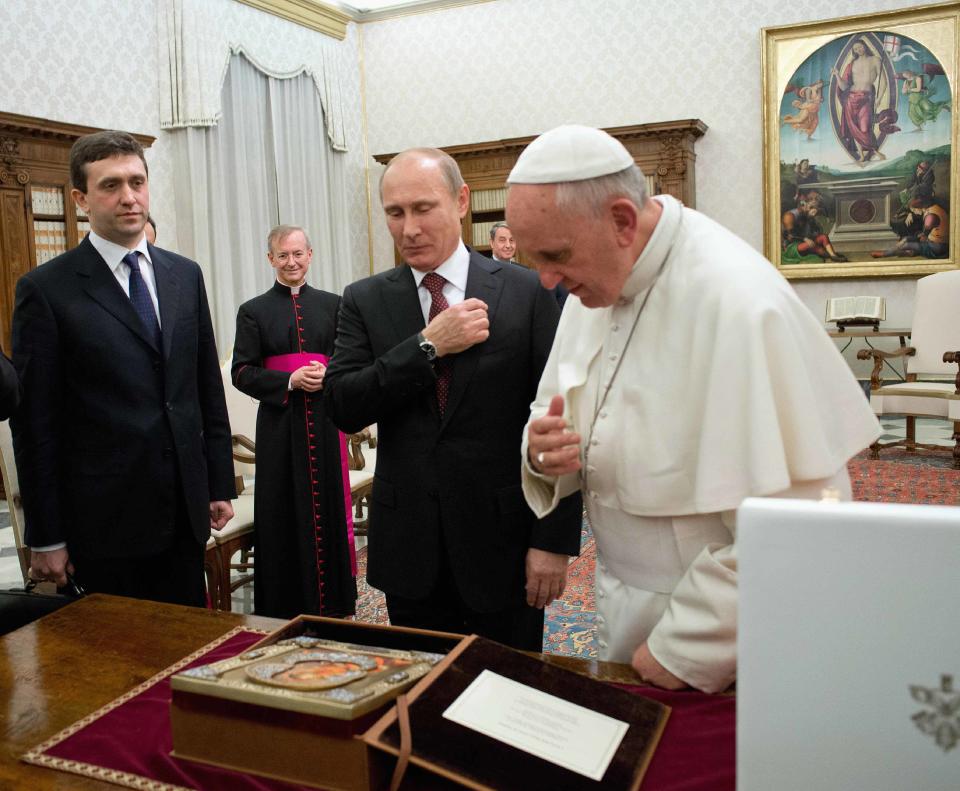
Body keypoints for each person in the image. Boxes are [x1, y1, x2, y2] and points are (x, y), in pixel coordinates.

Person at [507, 125, 879, 692]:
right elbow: (551, 408)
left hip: (715, 627)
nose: (547, 280)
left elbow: (799, 525)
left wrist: (686, 647)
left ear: (623, 221)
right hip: (618, 599)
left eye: (556, 256)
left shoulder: (738, 303)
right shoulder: (597, 278)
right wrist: (542, 452)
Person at [325, 148, 582, 651]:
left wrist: (551, 542)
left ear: (461, 201)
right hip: (409, 550)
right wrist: (427, 345)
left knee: (508, 699)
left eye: (423, 208)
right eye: (395, 214)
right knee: (420, 705)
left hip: (503, 544)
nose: (409, 228)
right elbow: (343, 403)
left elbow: (562, 420)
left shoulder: (527, 292)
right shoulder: (365, 299)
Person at [11, 130, 235, 605]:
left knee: (187, 655)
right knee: (120, 668)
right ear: (81, 198)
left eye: (137, 182)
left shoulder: (184, 274)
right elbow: (36, 425)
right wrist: (46, 535)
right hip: (103, 524)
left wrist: (217, 482)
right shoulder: (47, 290)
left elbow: (202, 388)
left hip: (183, 512)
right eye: (111, 185)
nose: (129, 197)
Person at [232, 225, 356, 619]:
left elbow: (352, 360)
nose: (292, 262)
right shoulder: (253, 310)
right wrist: (288, 379)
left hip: (324, 421)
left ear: (310, 254)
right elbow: (241, 372)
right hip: (279, 427)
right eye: (283, 255)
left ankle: (335, 603)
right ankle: (285, 606)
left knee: (329, 509)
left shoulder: (335, 304)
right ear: (271, 260)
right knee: (282, 513)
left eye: (298, 254)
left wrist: (329, 373)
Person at [832, 39, 888, 163]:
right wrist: (837, 75)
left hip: (866, 98)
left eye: (860, 47)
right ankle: (861, 155)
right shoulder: (852, 64)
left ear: (865, 45)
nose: (858, 50)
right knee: (854, 128)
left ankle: (874, 150)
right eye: (855, 49)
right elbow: (844, 87)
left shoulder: (875, 60)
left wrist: (879, 98)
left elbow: (883, 81)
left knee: (864, 128)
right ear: (854, 51)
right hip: (851, 98)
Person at [489, 220, 568, 307]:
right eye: (502, 240)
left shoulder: (525, 272)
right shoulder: (482, 271)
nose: (508, 245)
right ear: (492, 243)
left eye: (512, 240)